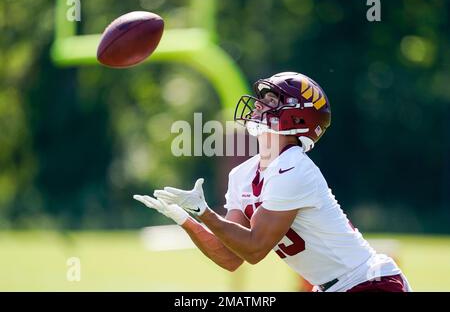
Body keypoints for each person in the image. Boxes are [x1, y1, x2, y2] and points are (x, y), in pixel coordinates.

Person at [134, 72, 412, 292]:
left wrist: (204, 213)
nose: (257, 104)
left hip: (368, 283)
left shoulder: (294, 168)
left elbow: (255, 249)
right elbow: (230, 257)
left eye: (270, 100)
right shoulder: (242, 175)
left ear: (297, 115)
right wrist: (187, 220)